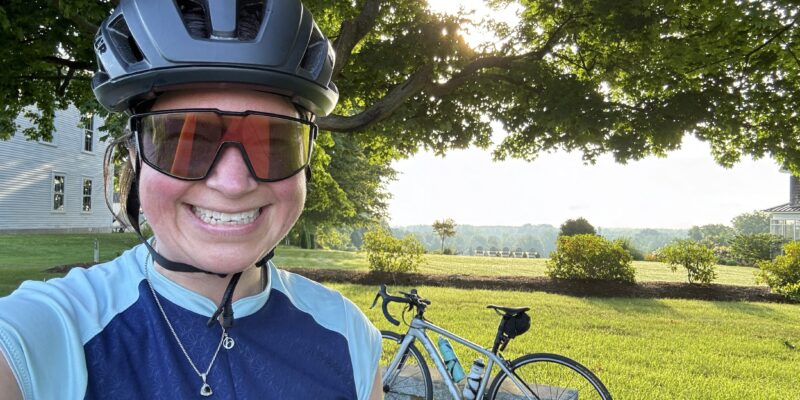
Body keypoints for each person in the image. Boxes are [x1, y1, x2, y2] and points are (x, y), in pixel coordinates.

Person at [0, 0, 382, 398]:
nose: (233, 184)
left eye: (272, 143)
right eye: (187, 142)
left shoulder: (350, 339)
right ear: (134, 159)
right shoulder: (41, 336)